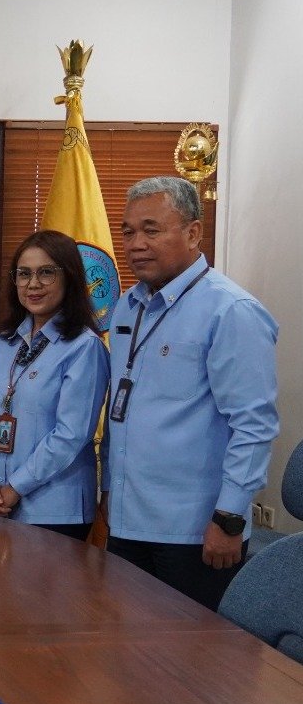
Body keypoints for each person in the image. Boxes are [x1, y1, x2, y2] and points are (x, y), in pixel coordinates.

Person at [103, 176, 278, 611]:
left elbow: (254, 426)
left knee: (190, 651)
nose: (136, 244)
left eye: (151, 230)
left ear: (194, 232)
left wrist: (229, 518)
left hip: (195, 531)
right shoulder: (126, 306)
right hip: (127, 520)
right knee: (125, 644)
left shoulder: (230, 311)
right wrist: (108, 491)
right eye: (128, 232)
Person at [0, 230, 109, 540]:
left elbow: (71, 435)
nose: (33, 284)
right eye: (24, 274)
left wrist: (15, 488)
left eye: (46, 273)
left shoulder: (84, 348)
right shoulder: (6, 342)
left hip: (54, 509)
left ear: (69, 277)